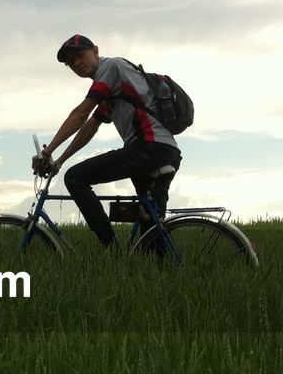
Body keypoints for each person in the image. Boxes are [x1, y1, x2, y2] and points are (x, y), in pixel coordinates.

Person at [32, 35, 182, 249]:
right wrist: (60, 161)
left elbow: (81, 114)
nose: (76, 63)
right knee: (151, 232)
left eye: (80, 55)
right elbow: (90, 126)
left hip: (150, 147)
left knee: (76, 178)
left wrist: (47, 153)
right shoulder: (111, 88)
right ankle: (167, 271)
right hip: (165, 150)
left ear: (95, 50)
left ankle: (110, 247)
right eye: (70, 62)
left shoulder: (111, 67)